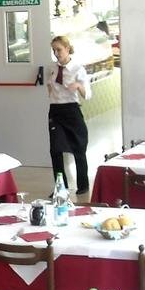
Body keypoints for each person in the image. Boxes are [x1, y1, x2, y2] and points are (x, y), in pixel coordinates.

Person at [47, 35, 91, 195]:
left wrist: (78, 85)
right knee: (55, 150)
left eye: (59, 50)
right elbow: (50, 85)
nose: (56, 53)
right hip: (55, 111)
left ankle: (83, 185)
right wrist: (51, 92)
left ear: (67, 48)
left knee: (78, 147)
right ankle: (61, 188)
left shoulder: (78, 69)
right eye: (53, 50)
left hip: (72, 110)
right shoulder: (52, 68)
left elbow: (88, 95)